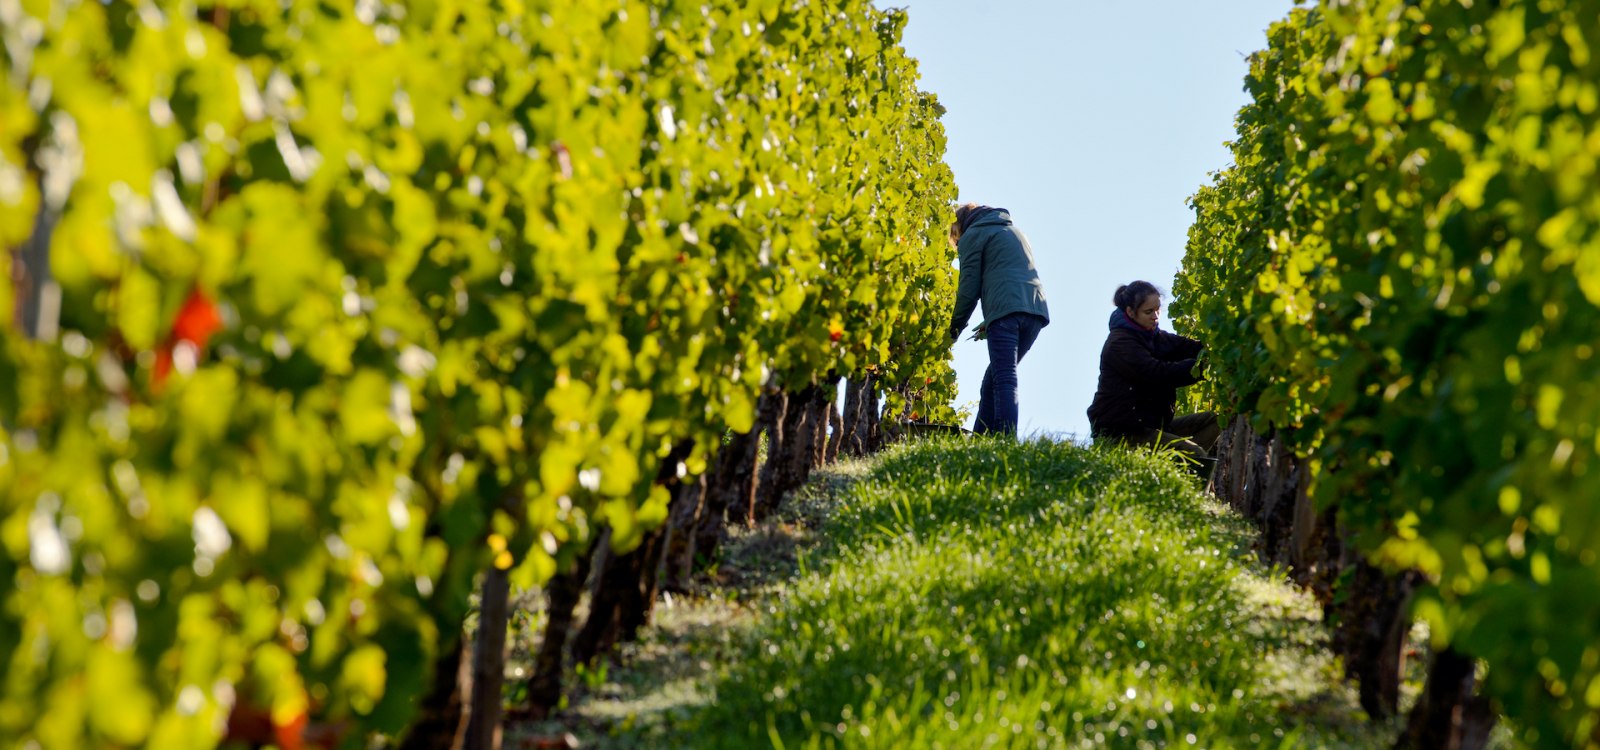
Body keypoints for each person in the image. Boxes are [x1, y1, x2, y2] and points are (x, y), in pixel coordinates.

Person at [1086, 280, 1219, 463]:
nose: (1156, 316)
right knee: (1194, 454)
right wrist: (1201, 368)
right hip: (1122, 433)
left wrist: (1216, 353)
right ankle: (1183, 482)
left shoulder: (1155, 336)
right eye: (1148, 312)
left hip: (1151, 426)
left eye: (1158, 310)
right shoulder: (1120, 344)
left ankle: (1176, 470)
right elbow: (1158, 374)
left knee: (1213, 421)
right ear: (1130, 312)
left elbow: (1188, 347)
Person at [948, 203, 1050, 436]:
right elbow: (1011, 275)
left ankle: (1005, 439)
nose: (956, 243)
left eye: (954, 237)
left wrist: (953, 331)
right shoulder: (1014, 231)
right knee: (992, 378)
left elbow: (968, 290)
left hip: (1006, 314)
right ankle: (982, 440)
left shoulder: (973, 234)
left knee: (1004, 377)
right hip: (1035, 311)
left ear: (959, 226)